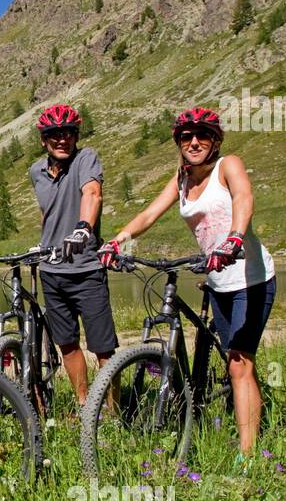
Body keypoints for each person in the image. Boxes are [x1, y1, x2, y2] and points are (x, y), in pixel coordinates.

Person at [98, 106, 276, 457]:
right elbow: (150, 213)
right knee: (232, 359)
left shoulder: (229, 166)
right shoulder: (181, 178)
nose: (194, 142)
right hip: (217, 279)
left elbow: (244, 197)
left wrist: (234, 238)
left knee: (240, 362)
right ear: (178, 143)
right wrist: (118, 240)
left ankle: (248, 456)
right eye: (186, 137)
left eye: (203, 135)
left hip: (251, 277)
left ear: (215, 140)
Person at [28, 104, 119, 413]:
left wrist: (83, 230)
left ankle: (113, 413)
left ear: (76, 135)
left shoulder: (86, 159)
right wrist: (42, 244)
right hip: (51, 272)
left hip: (86, 269)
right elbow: (47, 213)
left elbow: (92, 193)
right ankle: (85, 407)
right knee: (66, 342)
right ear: (44, 140)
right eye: (54, 134)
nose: (62, 139)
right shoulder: (36, 171)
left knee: (103, 348)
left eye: (68, 133)